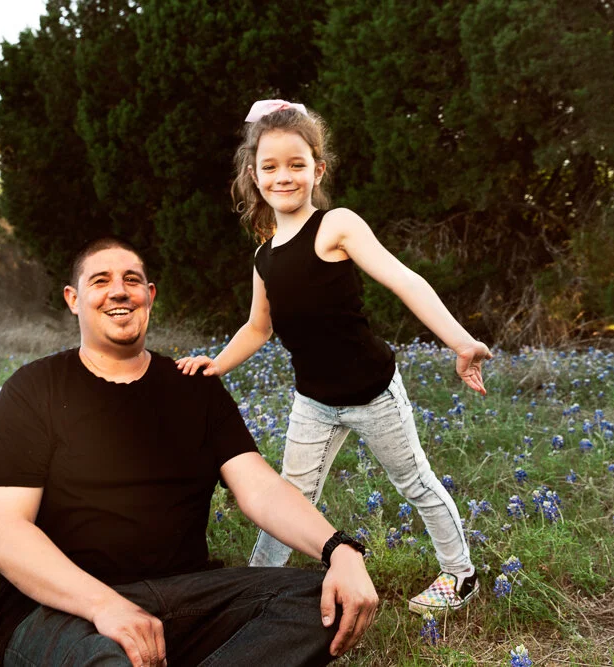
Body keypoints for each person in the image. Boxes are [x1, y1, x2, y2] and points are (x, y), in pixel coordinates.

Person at [0, 237, 378, 667]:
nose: (119, 291)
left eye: (132, 280)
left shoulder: (195, 387)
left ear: (149, 295)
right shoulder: (34, 389)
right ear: (73, 299)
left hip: (183, 597)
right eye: (100, 281)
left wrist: (339, 549)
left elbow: (261, 489)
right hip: (64, 609)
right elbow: (1, 533)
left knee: (322, 602)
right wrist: (104, 606)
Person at [176, 99, 493, 615]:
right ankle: (256, 588)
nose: (283, 176)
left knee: (415, 482)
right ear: (254, 176)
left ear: (317, 170)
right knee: (288, 497)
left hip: (373, 392)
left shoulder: (336, 225)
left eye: (296, 164)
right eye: (270, 166)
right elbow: (258, 327)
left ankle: (461, 574)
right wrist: (216, 364)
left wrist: (460, 341)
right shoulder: (263, 256)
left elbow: (403, 279)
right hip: (314, 401)